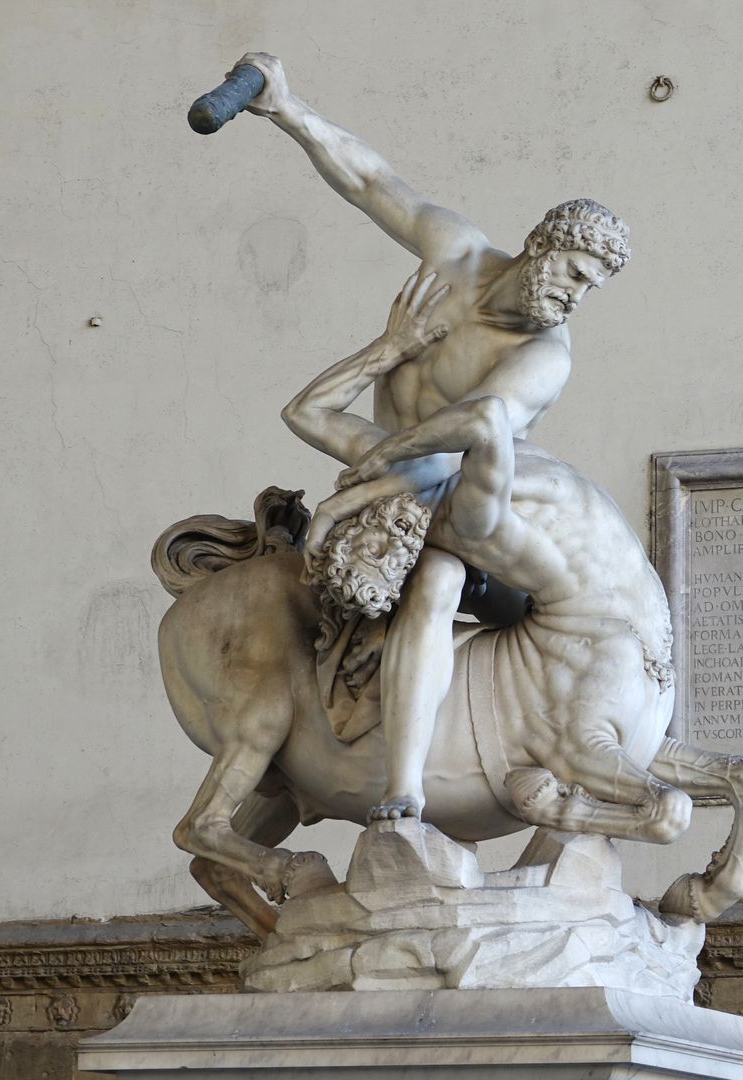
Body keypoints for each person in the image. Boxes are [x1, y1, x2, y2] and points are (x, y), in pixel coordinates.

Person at [247, 52, 631, 822]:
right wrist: (289, 110)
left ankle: (405, 791)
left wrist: (388, 458)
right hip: (392, 493)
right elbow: (372, 182)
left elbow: (476, 429)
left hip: (469, 506)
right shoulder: (456, 258)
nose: (576, 296)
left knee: (438, 579)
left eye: (592, 288)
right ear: (540, 244)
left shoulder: (541, 358)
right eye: (575, 272)